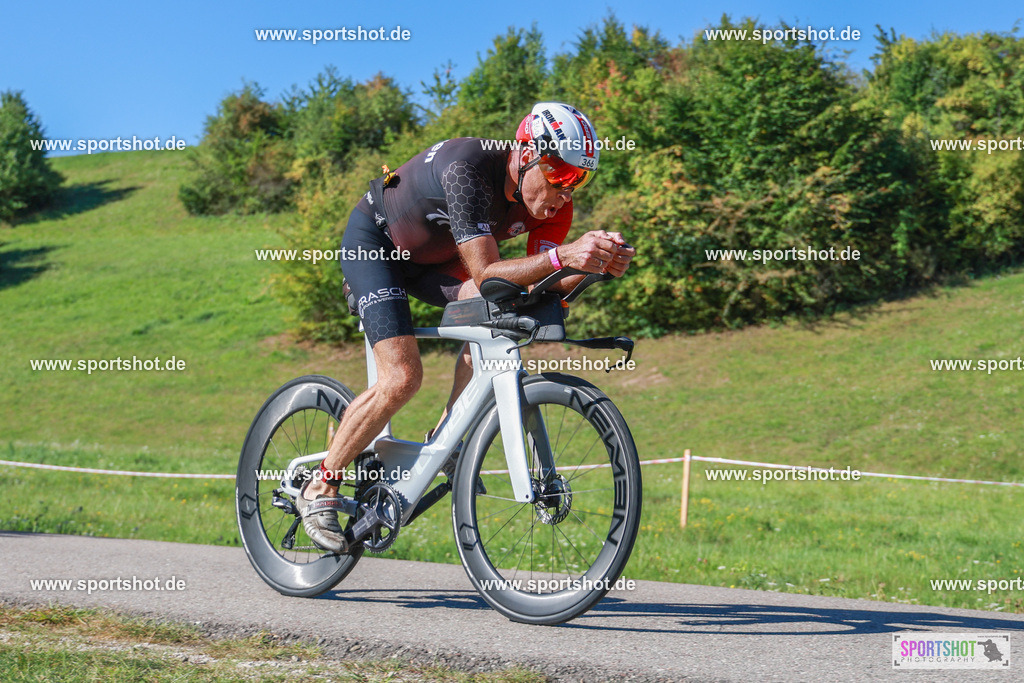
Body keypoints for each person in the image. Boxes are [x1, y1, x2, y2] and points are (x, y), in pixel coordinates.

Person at [297, 102, 635, 552]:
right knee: (401, 378)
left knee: (501, 318)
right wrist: (564, 256)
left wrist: (596, 268)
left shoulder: (554, 209)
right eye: (559, 173)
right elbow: (488, 274)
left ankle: (445, 441)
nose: (566, 191)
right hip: (378, 248)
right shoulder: (467, 168)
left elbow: (546, 284)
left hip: (437, 264)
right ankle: (321, 486)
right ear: (526, 153)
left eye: (579, 179)